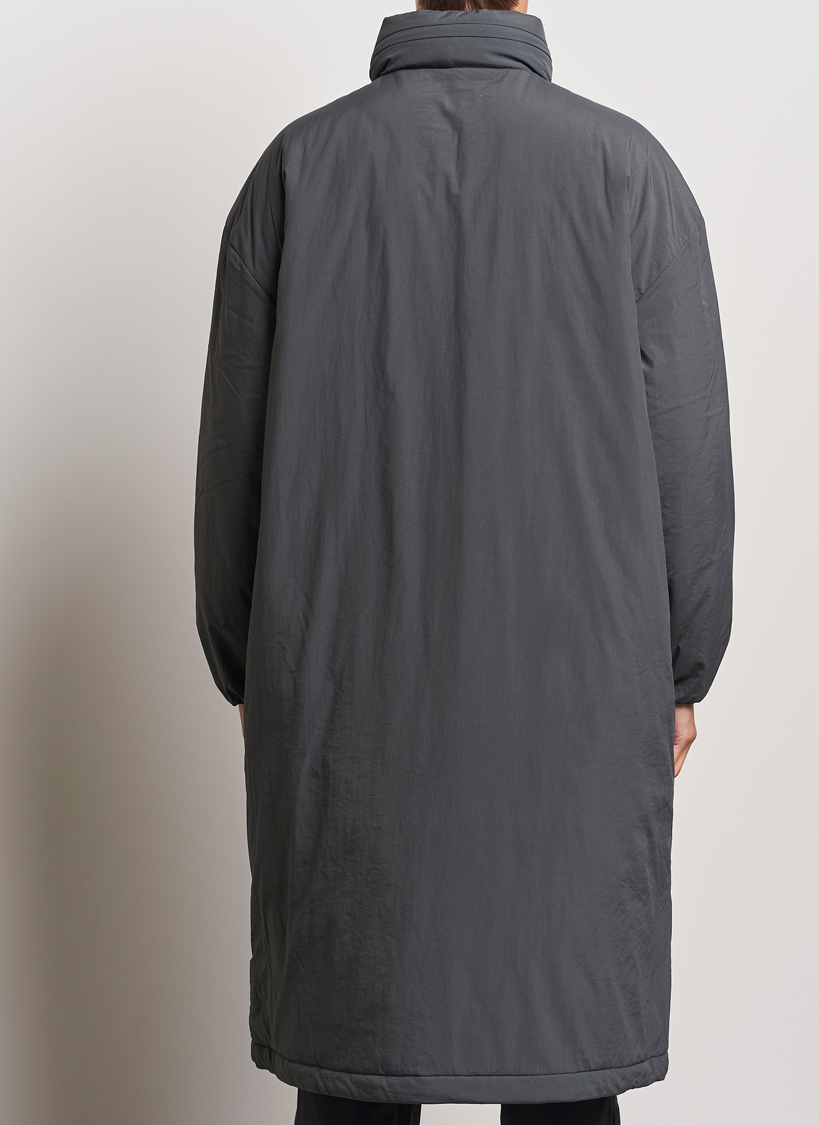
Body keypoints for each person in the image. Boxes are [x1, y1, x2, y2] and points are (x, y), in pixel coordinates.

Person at [193, 0, 735, 1121]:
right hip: (576, 713)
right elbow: (690, 454)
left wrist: (251, 669)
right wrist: (684, 670)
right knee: (563, 1065)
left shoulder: (294, 174)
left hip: (346, 710)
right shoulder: (629, 175)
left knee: (353, 1072)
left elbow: (230, 469)